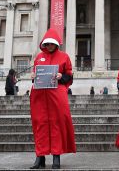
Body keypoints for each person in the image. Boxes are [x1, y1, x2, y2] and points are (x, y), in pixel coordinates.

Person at [29, 29, 75, 169]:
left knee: (57, 124)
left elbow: (69, 76)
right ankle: (40, 157)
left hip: (56, 95)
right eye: (47, 44)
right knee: (40, 124)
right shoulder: (39, 57)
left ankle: (56, 156)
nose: (49, 46)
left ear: (56, 44)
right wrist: (33, 77)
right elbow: (37, 76)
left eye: (51, 44)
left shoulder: (64, 57)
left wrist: (62, 77)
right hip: (40, 96)